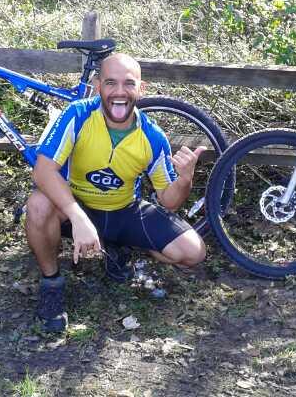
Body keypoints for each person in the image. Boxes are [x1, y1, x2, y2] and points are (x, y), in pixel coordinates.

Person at [26, 53, 207, 332]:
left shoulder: (152, 136)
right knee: (37, 205)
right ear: (98, 86)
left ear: (141, 89)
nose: (119, 92)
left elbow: (168, 200)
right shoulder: (77, 114)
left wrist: (185, 179)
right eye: (110, 83)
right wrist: (79, 218)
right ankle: (52, 285)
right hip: (78, 205)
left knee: (193, 252)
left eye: (128, 83)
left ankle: (118, 247)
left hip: (124, 210)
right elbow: (43, 171)